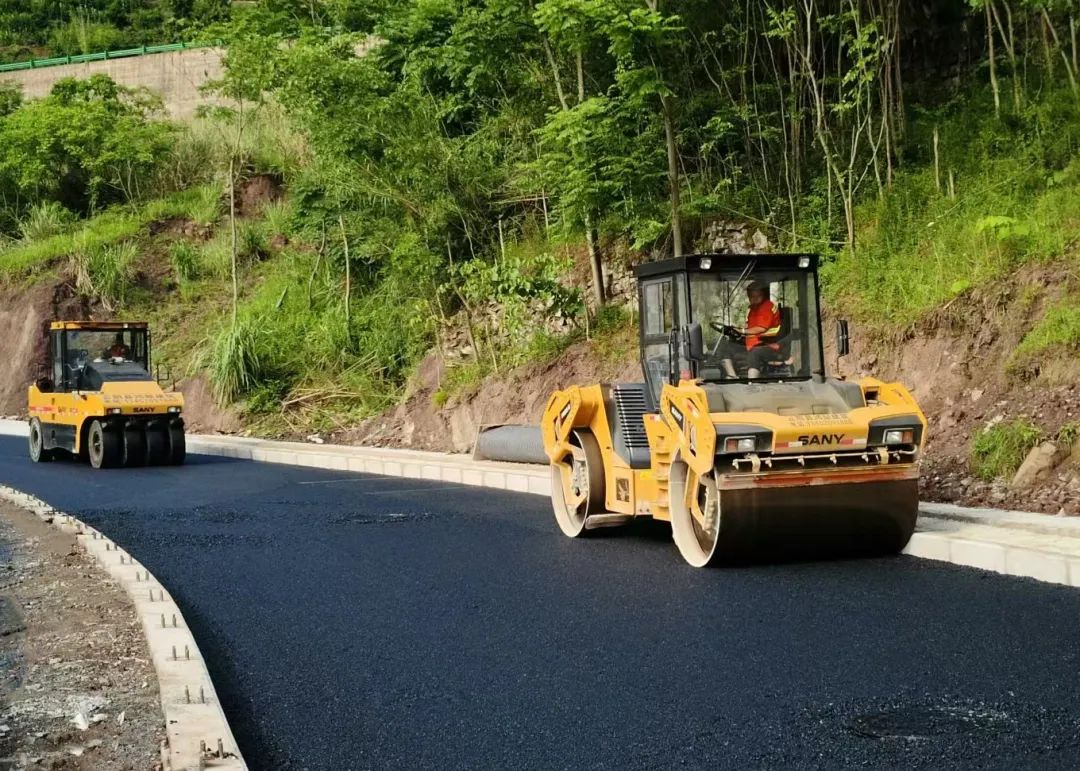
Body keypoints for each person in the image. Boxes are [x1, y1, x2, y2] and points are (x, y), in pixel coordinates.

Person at [719, 280, 782, 379]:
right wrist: (737, 330)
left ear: (763, 295)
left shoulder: (767, 307)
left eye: (758, 296)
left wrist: (742, 331)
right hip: (753, 343)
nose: (755, 299)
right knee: (727, 347)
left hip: (769, 344)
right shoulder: (752, 309)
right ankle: (732, 377)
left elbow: (761, 328)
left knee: (755, 353)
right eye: (752, 297)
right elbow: (750, 327)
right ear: (748, 297)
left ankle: (752, 382)